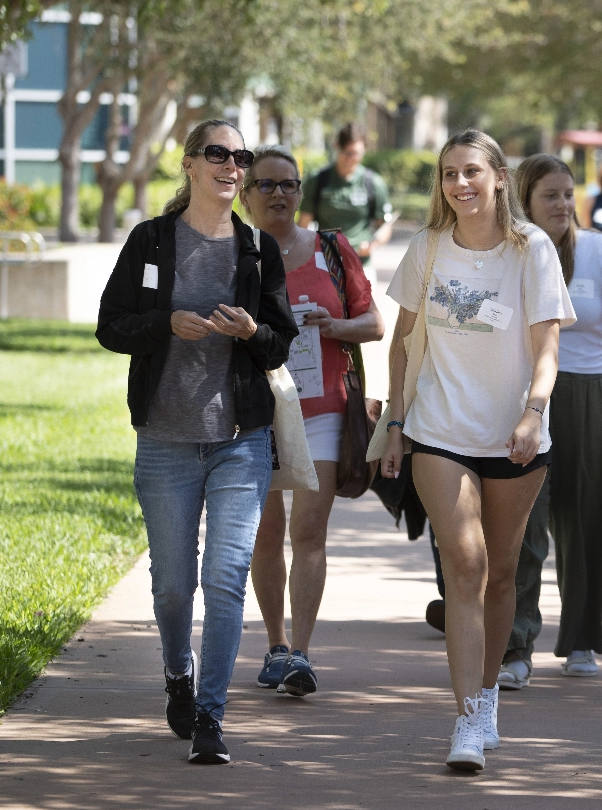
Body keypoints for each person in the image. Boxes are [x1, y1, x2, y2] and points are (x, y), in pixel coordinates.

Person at [96, 119, 297, 764]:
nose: (232, 166)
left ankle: (211, 712)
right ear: (189, 164)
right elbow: (111, 326)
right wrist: (163, 324)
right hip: (166, 439)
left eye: (241, 157)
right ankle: (177, 674)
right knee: (173, 585)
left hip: (241, 437)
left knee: (228, 577)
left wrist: (248, 332)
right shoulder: (151, 240)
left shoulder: (257, 249)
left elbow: (281, 338)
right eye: (219, 154)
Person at [381, 129, 574, 771]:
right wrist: (396, 421)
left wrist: (533, 412)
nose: (458, 184)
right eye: (447, 174)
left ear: (498, 178)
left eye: (470, 172)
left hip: (517, 437)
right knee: (463, 562)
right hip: (439, 432)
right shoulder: (427, 248)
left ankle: (488, 694)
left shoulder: (532, 250)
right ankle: (465, 721)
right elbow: (403, 342)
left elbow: (548, 346)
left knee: (501, 574)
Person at [502, 154, 602, 681]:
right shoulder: (506, 253)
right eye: (551, 195)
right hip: (523, 397)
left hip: (590, 392)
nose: (563, 204)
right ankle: (516, 646)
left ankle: (582, 640)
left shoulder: (601, 250)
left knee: (587, 518)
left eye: (568, 194)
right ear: (525, 200)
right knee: (524, 523)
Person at [240, 144, 385, 698]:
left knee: (309, 529)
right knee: (265, 533)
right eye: (267, 185)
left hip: (323, 407)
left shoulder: (330, 248)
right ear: (247, 195)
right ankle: (275, 645)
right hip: (255, 411)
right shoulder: (233, 252)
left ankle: (301, 652)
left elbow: (372, 322)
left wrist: (333, 327)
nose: (279, 194)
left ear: (302, 192)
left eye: (288, 184)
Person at [299, 122, 393, 262]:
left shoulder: (373, 183)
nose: (351, 158)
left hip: (360, 263)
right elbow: (303, 226)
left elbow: (385, 226)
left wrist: (373, 245)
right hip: (325, 262)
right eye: (347, 153)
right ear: (337, 146)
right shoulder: (317, 181)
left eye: (357, 153)